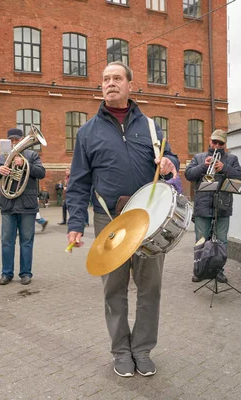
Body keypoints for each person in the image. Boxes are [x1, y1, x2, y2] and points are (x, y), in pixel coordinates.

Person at [66, 61, 179, 378]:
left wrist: (170, 162)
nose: (110, 83)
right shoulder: (87, 132)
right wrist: (75, 225)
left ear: (130, 85)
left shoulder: (151, 126)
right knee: (113, 289)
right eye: (105, 79)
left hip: (149, 220)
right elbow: (78, 183)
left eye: (117, 78)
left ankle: (142, 349)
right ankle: (121, 351)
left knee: (150, 288)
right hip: (109, 220)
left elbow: (170, 158)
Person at [184, 129, 241, 284]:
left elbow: (239, 176)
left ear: (225, 144)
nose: (217, 145)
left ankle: (218, 271)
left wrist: (224, 168)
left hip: (222, 206)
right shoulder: (199, 157)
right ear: (209, 141)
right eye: (214, 142)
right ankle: (199, 271)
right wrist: (204, 167)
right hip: (203, 206)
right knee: (201, 240)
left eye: (220, 143)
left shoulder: (232, 159)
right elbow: (189, 175)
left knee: (222, 241)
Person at [0, 128, 45, 286]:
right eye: (11, 140)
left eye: (17, 140)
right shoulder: (0, 158)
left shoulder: (32, 156)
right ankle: (6, 273)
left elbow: (41, 172)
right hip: (8, 205)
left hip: (27, 206)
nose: (14, 143)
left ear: (22, 140)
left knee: (26, 241)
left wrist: (25, 164)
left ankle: (26, 273)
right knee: (7, 241)